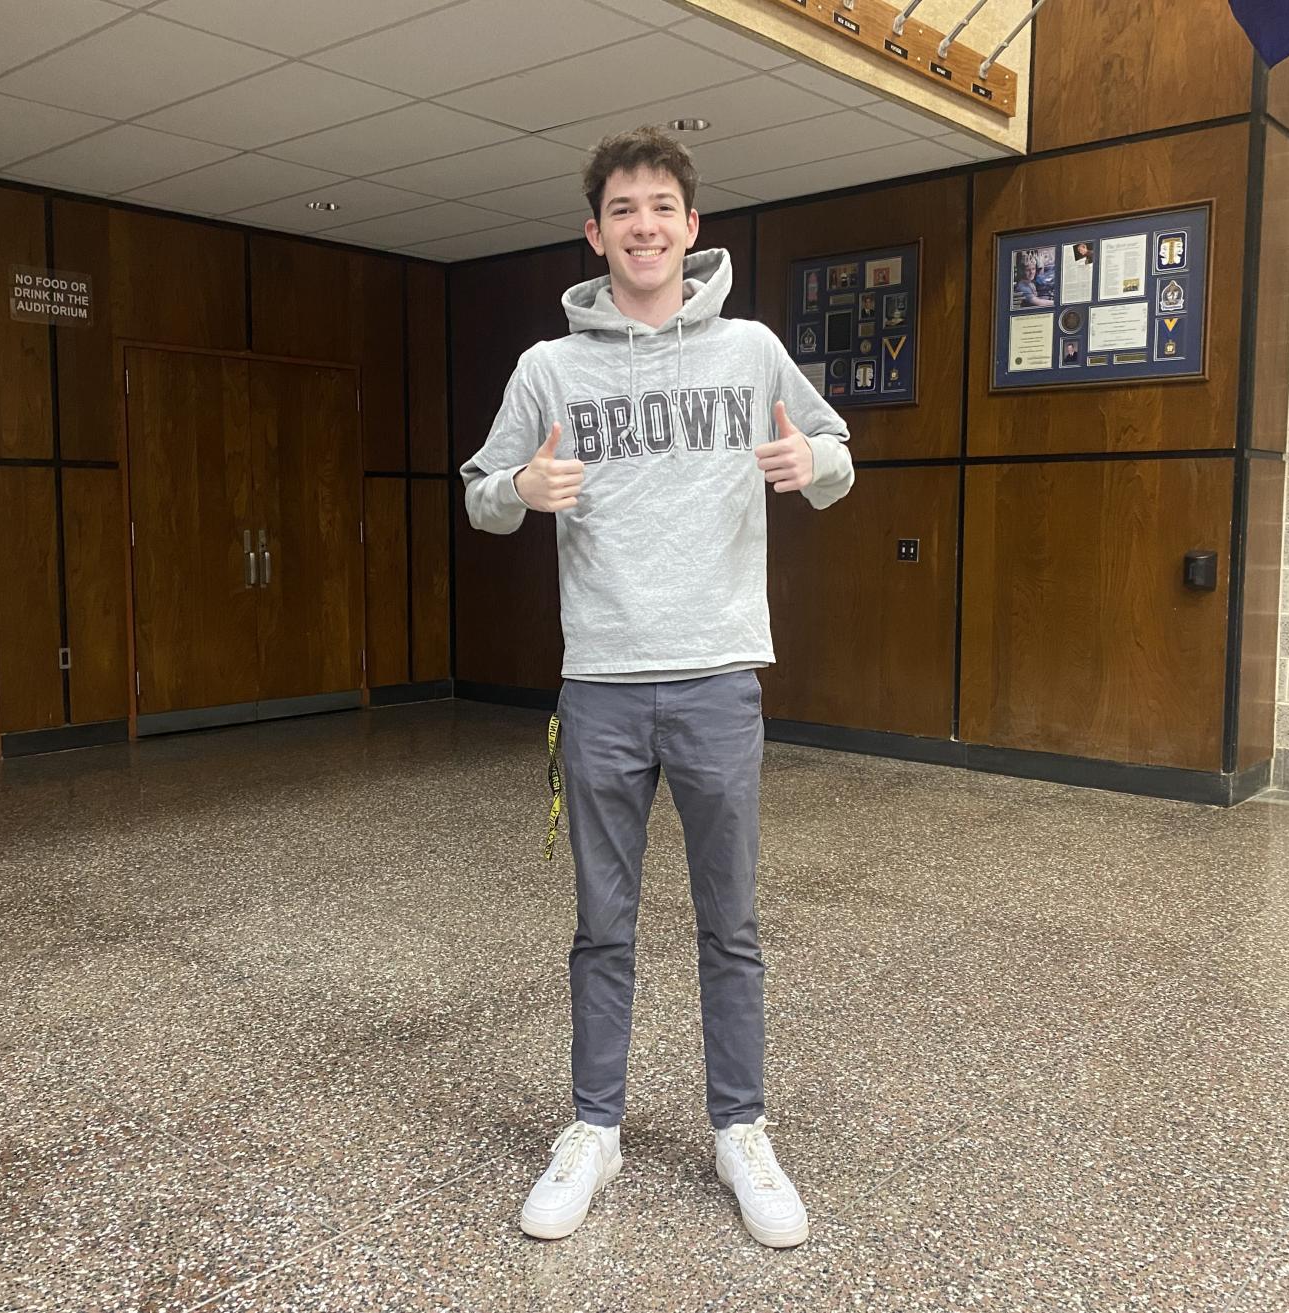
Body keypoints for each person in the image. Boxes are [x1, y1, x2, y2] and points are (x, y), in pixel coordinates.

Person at [460, 126, 854, 1249]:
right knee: (604, 925)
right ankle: (594, 1127)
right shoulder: (549, 368)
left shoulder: (749, 351)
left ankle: (740, 1129)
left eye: (661, 207)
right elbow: (482, 490)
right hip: (602, 685)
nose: (642, 225)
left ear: (692, 227)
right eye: (621, 208)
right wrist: (522, 486)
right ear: (596, 233)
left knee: (730, 922)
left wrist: (809, 465)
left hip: (721, 677)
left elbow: (836, 456)